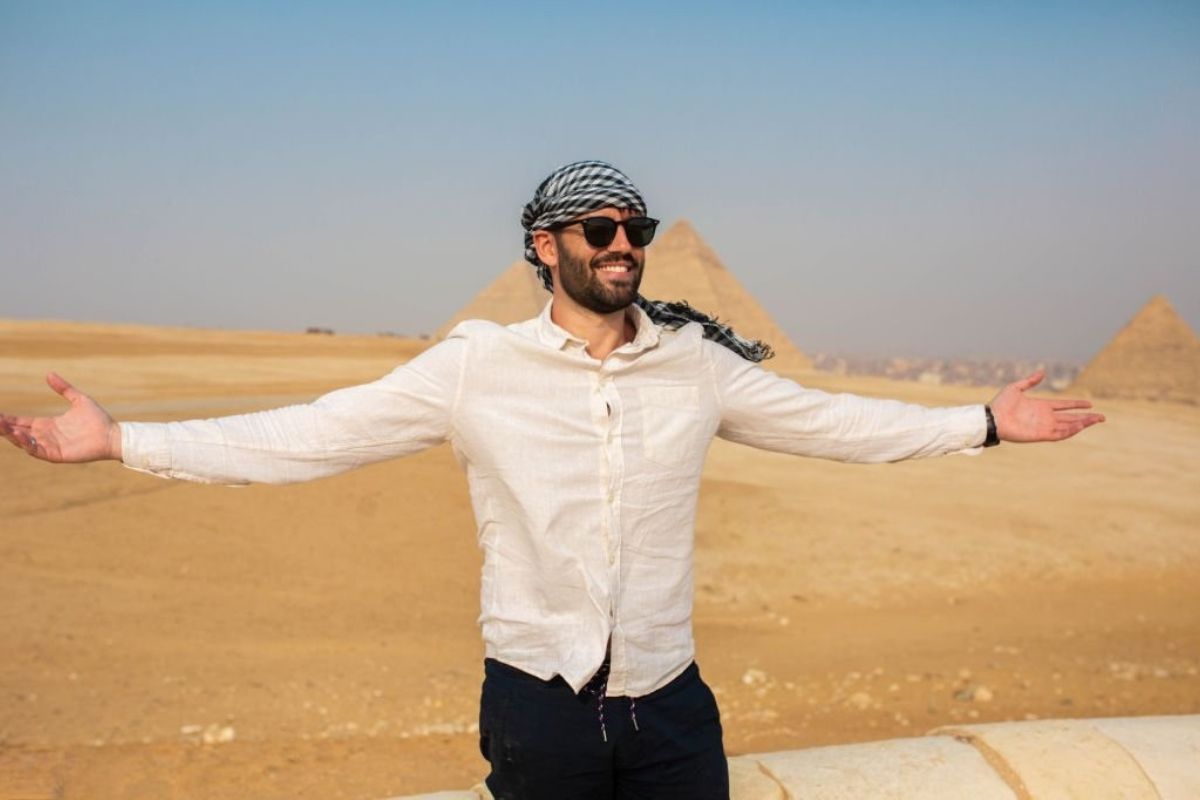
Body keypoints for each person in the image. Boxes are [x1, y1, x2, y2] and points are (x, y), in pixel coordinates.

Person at [0, 160, 1104, 799]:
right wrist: (124, 442)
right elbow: (311, 435)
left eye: (637, 229)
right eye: (600, 228)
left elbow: (833, 423)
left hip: (673, 706)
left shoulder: (696, 363)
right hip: (539, 706)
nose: (624, 244)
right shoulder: (476, 366)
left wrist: (983, 426)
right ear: (544, 246)